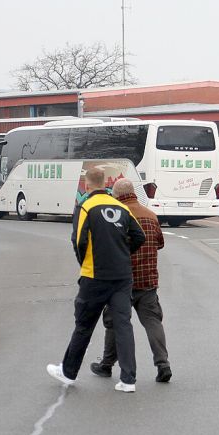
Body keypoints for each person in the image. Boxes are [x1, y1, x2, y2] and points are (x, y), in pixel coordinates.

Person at [47, 168, 146, 393]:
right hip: (122, 276)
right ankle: (128, 380)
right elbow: (139, 236)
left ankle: (68, 371)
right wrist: (123, 253)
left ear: (87, 184)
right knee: (123, 325)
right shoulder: (121, 207)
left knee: (84, 325)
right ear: (105, 183)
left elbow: (78, 240)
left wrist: (85, 263)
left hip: (95, 275)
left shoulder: (86, 207)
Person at [90, 179, 172, 384]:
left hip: (121, 281)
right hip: (148, 281)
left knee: (114, 322)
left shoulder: (116, 216)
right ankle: (163, 364)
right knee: (153, 322)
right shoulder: (151, 215)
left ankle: (107, 365)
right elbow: (160, 243)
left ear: (116, 195)